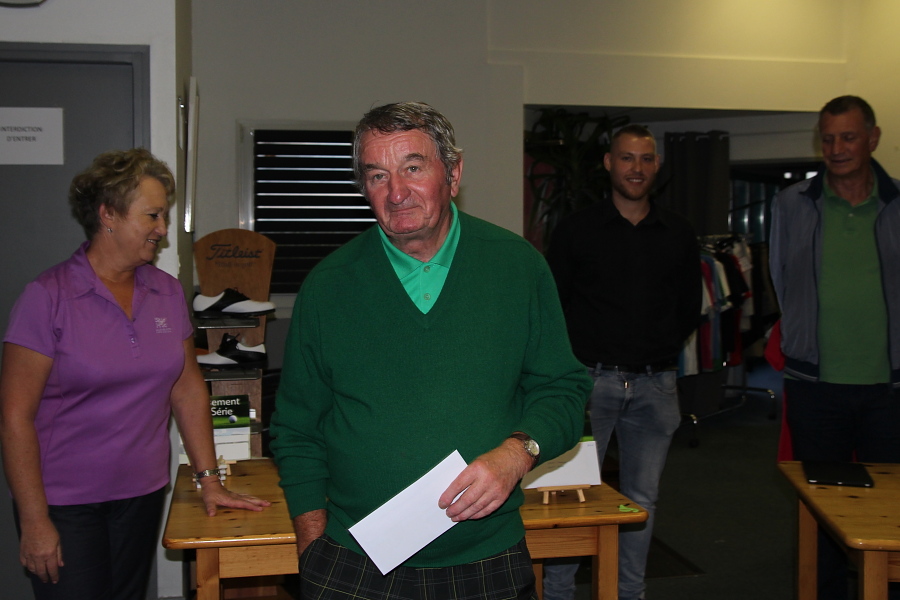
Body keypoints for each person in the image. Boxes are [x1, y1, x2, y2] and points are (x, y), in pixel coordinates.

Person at [269, 101, 591, 600]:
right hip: (356, 563)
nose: (396, 192)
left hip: (487, 557)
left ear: (454, 174)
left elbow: (563, 390)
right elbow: (296, 429)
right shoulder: (328, 287)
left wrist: (517, 453)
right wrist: (312, 551)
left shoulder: (517, 267)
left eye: (413, 168)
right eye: (377, 176)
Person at [0, 148, 270, 600]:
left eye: (163, 216)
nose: (162, 229)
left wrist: (209, 480)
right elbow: (14, 417)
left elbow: (187, 390)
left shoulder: (165, 291)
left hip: (141, 494)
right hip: (64, 503)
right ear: (108, 214)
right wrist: (33, 519)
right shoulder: (48, 296)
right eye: (152, 216)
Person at [544, 124, 701, 600]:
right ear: (609, 163)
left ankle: (629, 593)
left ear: (657, 166)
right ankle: (559, 593)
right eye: (627, 158)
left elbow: (688, 308)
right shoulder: (576, 230)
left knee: (642, 500)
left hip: (657, 386)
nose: (637, 168)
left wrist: (656, 350)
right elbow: (554, 307)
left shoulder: (678, 233)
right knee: (571, 498)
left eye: (646, 159)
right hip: (590, 384)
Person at [769, 95, 900, 600]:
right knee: (822, 507)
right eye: (827, 139)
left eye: (848, 137)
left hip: (890, 389)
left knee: (890, 512)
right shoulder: (792, 204)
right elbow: (780, 277)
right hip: (815, 386)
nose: (837, 148)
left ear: (873, 138)